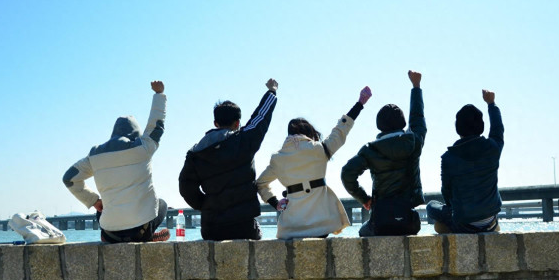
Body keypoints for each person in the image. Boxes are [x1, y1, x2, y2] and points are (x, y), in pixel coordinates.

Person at [256, 86, 372, 239]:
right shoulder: (320, 149)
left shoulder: (278, 158)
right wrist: (360, 104)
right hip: (322, 223)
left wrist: (274, 202)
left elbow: (260, 183)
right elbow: (340, 131)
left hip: (291, 226)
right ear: (309, 133)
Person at [62, 81, 169, 243]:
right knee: (162, 204)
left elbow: (69, 179)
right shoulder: (143, 147)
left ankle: (109, 234)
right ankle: (149, 234)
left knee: (102, 207)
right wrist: (159, 94)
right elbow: (157, 125)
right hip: (140, 231)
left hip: (110, 234)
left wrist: (93, 200)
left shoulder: (95, 155)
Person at [179, 79, 278, 241]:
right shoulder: (244, 141)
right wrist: (272, 91)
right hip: (244, 227)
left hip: (212, 228)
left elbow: (185, 188)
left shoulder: (196, 153)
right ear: (237, 123)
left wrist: (206, 205)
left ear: (215, 123)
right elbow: (261, 117)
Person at [341, 70, 427, 236]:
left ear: (379, 125)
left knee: (362, 232)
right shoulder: (414, 142)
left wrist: (364, 198)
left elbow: (347, 174)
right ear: (402, 123)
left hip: (381, 222)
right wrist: (416, 86)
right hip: (409, 221)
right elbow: (418, 119)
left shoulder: (370, 150)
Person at [426, 89, 504, 234]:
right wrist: (491, 104)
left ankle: (448, 227)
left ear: (458, 128)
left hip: (464, 224)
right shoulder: (492, 148)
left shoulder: (448, 158)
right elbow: (498, 128)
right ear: (481, 126)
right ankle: (490, 226)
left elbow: (447, 192)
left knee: (431, 206)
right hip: (491, 221)